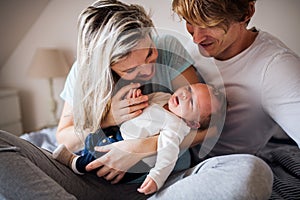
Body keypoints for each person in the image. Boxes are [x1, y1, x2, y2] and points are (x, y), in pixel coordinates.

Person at [0, 0, 273, 199]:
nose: (147, 71)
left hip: (163, 182)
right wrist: (109, 118)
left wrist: (143, 147)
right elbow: (64, 137)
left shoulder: (168, 47)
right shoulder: (84, 73)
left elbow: (209, 126)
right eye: (130, 69)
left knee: (252, 170)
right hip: (91, 180)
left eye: (150, 53)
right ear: (104, 66)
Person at [171, 0, 300, 160]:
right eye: (189, 21)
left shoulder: (277, 69)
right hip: (175, 150)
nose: (196, 38)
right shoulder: (201, 46)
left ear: (246, 13)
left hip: (218, 165)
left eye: (210, 24)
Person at [53, 83, 225, 195]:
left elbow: (168, 155)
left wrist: (157, 178)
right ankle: (81, 154)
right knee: (94, 136)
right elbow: (144, 104)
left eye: (192, 103)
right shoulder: (164, 97)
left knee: (102, 154)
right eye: (189, 89)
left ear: (193, 124)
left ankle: (77, 164)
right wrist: (134, 97)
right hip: (121, 133)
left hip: (130, 160)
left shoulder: (176, 127)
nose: (185, 96)